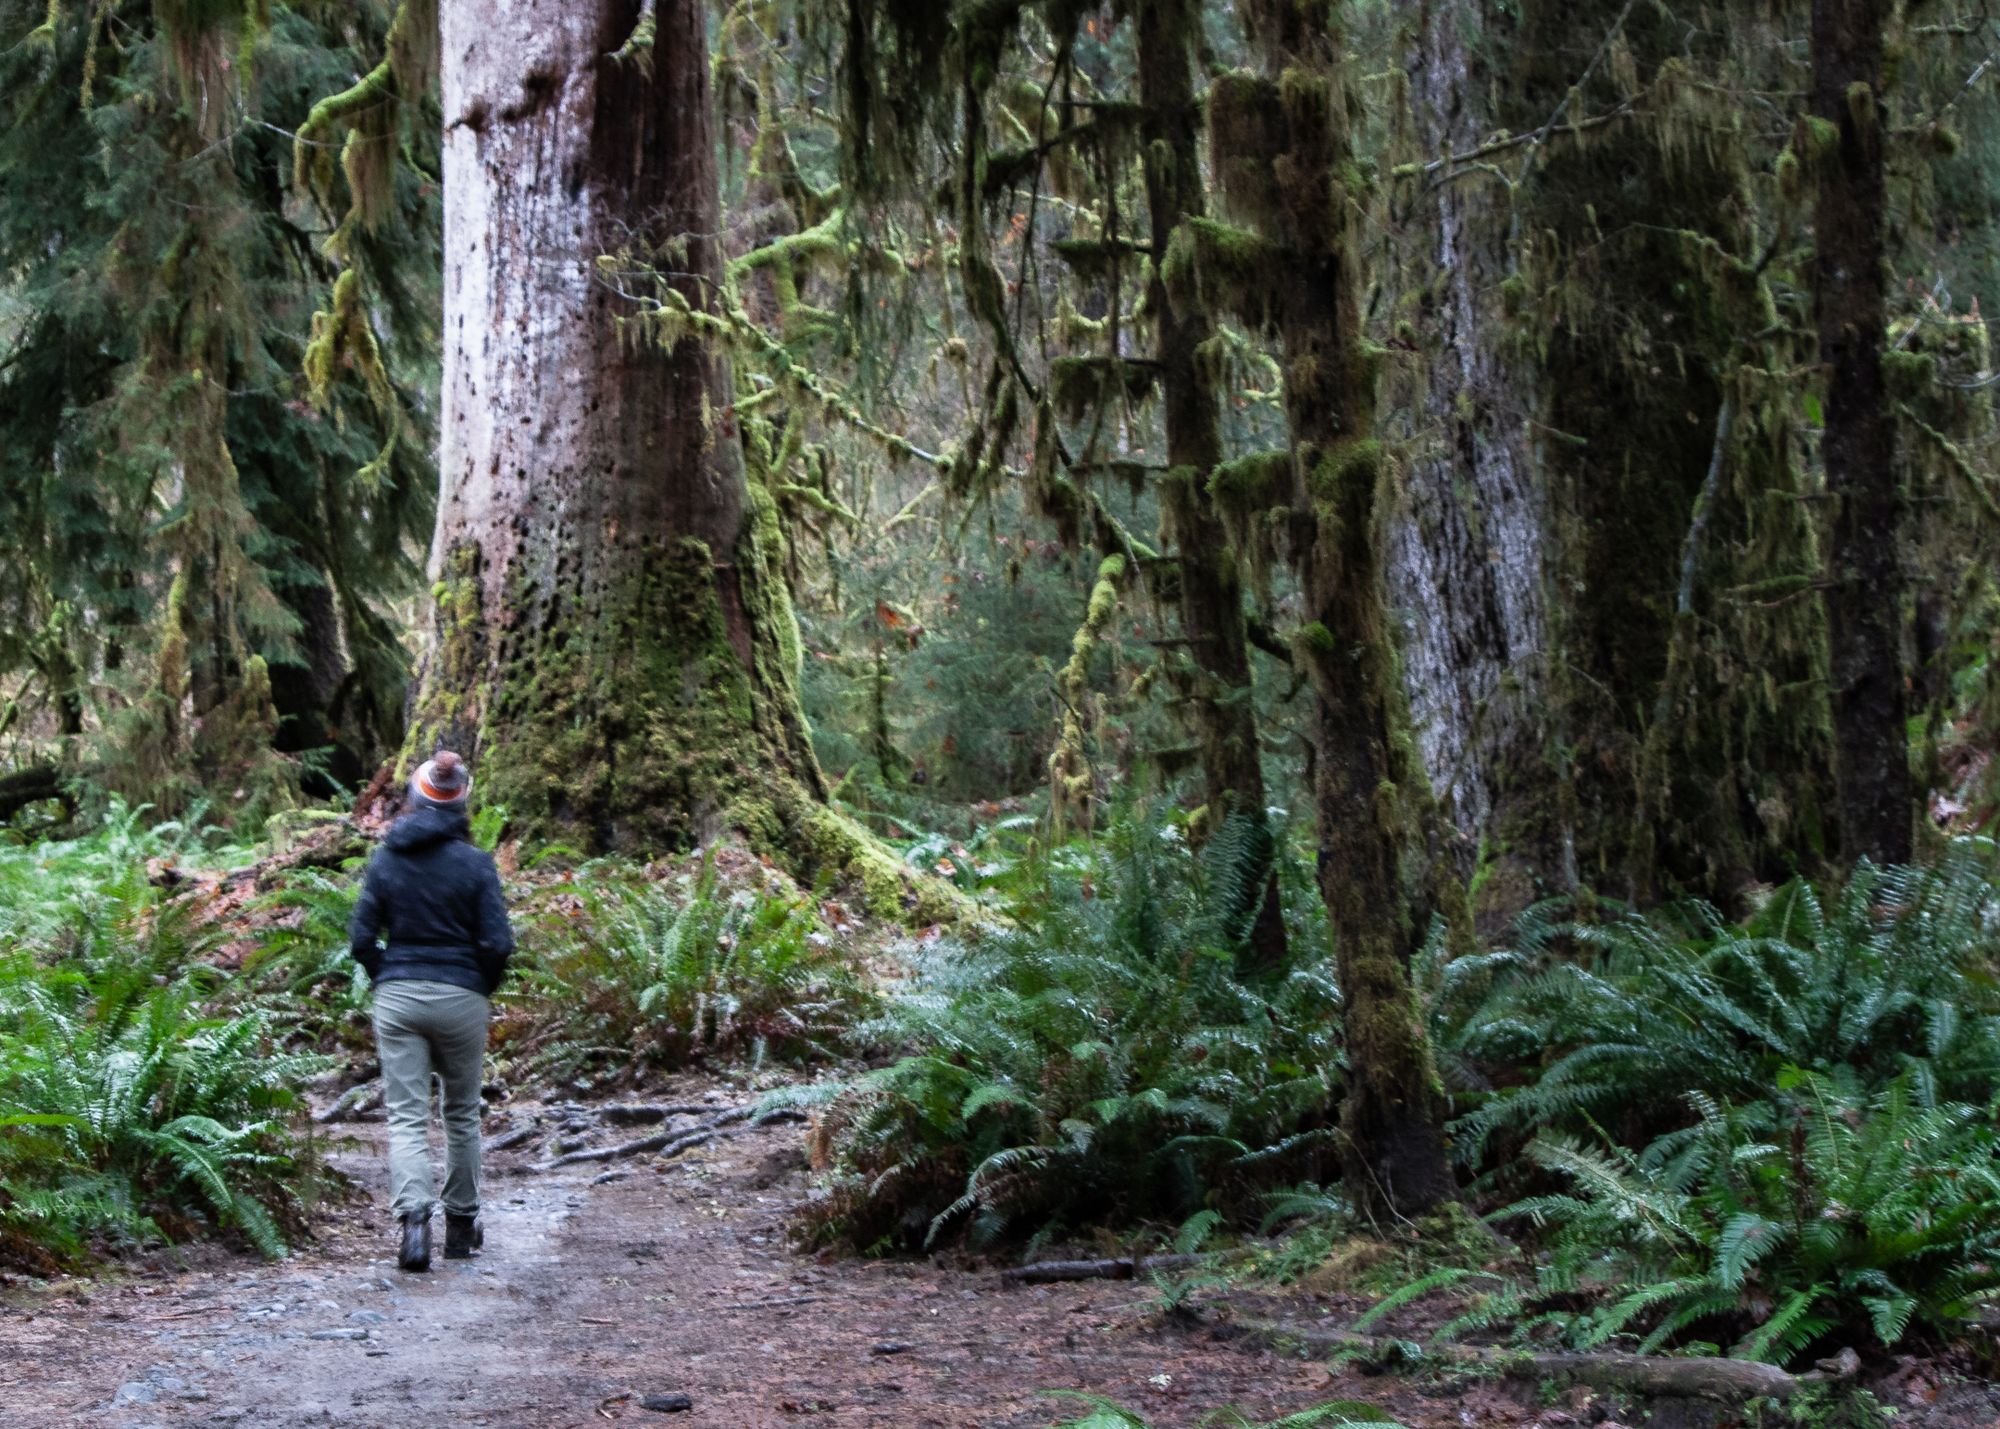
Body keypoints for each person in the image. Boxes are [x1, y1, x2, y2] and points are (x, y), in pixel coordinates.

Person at [347, 751, 514, 1272]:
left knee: (406, 1117)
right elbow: (499, 943)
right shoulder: (476, 864)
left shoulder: (387, 859)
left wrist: (388, 977)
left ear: (415, 800)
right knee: (462, 1113)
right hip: (463, 997)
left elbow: (360, 938)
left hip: (399, 996)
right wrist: (478, 986)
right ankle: (461, 1228)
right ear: (462, 805)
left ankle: (414, 1228)